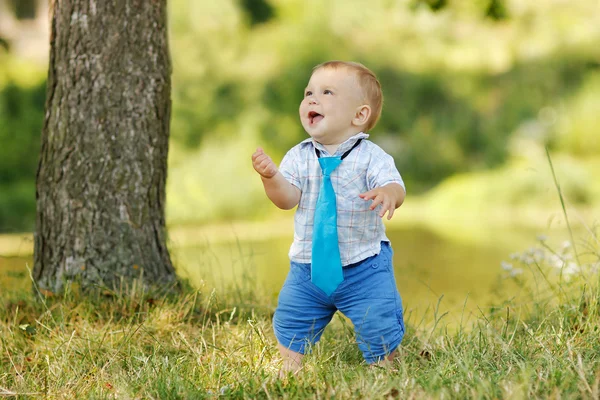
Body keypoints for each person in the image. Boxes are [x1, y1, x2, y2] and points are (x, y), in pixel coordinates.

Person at [251, 61, 406, 373]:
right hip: (307, 267)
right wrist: (271, 178)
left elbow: (394, 185)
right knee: (292, 317)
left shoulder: (371, 157)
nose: (312, 98)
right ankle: (289, 368)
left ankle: (385, 365)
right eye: (309, 92)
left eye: (326, 92)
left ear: (359, 115)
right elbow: (287, 198)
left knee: (378, 320)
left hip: (364, 266)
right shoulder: (298, 155)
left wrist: (389, 193)